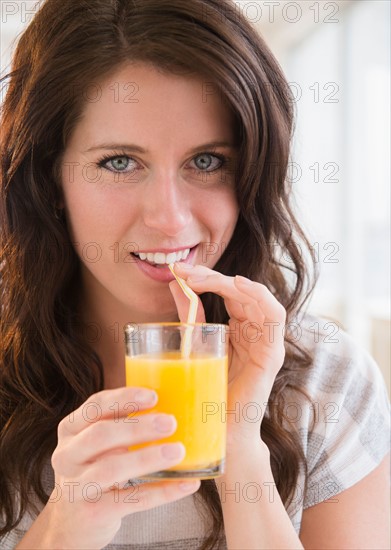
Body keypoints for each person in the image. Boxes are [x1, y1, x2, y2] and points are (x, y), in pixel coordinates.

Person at [0, 0, 389, 548]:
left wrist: (240, 448)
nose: (170, 219)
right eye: (118, 162)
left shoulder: (328, 384)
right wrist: (63, 529)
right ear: (50, 181)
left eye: (206, 161)